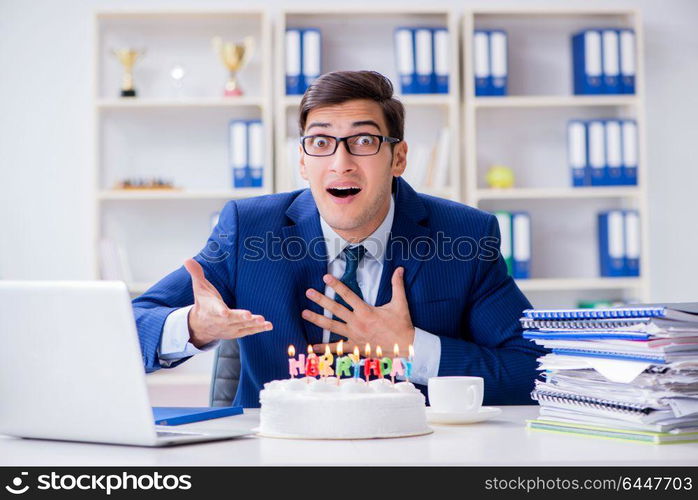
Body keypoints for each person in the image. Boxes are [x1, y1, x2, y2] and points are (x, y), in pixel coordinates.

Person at [132, 70, 546, 408]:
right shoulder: (250, 229)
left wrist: (411, 347)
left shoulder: (465, 237)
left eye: (363, 141)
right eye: (321, 142)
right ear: (302, 160)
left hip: (413, 453)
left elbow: (537, 371)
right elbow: (130, 326)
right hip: (277, 454)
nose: (340, 163)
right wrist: (192, 326)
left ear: (398, 158)